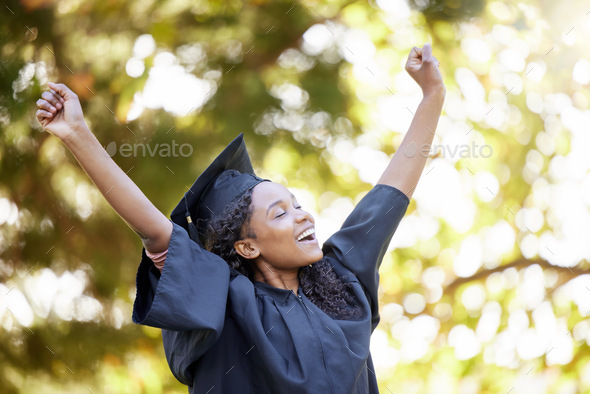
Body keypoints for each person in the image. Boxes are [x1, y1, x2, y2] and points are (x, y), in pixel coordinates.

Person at [36, 43, 444, 393]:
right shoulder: (224, 303)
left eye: (297, 204)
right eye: (281, 212)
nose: (303, 217)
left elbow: (390, 194)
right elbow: (155, 229)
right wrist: (77, 135)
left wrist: (431, 96)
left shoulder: (342, 283)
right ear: (246, 246)